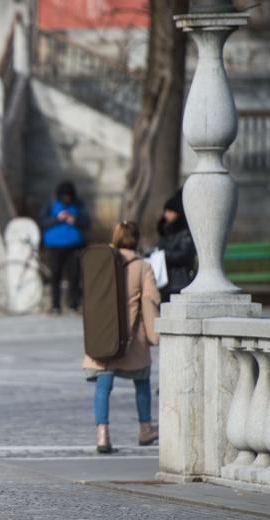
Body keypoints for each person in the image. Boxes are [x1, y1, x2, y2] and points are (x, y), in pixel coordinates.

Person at [83, 221, 160, 454]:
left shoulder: (101, 263)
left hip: (104, 334)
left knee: (103, 386)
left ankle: (103, 434)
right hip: (131, 339)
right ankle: (145, 428)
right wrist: (153, 334)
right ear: (136, 239)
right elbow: (150, 300)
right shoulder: (143, 267)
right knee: (142, 381)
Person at [40, 181, 91, 314]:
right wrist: (57, 219)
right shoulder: (51, 203)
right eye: (64, 197)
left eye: (69, 197)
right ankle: (56, 305)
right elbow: (43, 221)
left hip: (74, 246)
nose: (67, 199)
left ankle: (74, 304)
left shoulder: (78, 205)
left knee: (74, 276)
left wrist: (75, 221)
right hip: (55, 246)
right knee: (55, 276)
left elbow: (87, 222)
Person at [154, 188, 196, 302]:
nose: (166, 214)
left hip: (180, 280)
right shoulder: (165, 230)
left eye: (170, 211)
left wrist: (164, 255)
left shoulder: (185, 233)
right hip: (164, 280)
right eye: (166, 211)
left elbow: (186, 255)